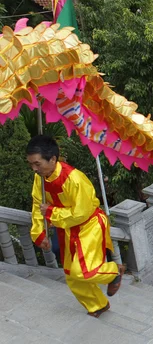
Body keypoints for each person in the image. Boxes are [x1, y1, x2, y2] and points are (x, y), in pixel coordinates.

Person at [26, 135, 124, 317]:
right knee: (71, 274)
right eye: (31, 164)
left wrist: (52, 212)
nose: (34, 168)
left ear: (53, 159)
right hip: (67, 228)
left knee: (85, 272)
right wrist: (39, 233)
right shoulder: (39, 179)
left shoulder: (75, 179)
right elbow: (37, 206)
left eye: (37, 164)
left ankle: (114, 271)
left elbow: (81, 213)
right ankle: (97, 305)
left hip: (89, 226)